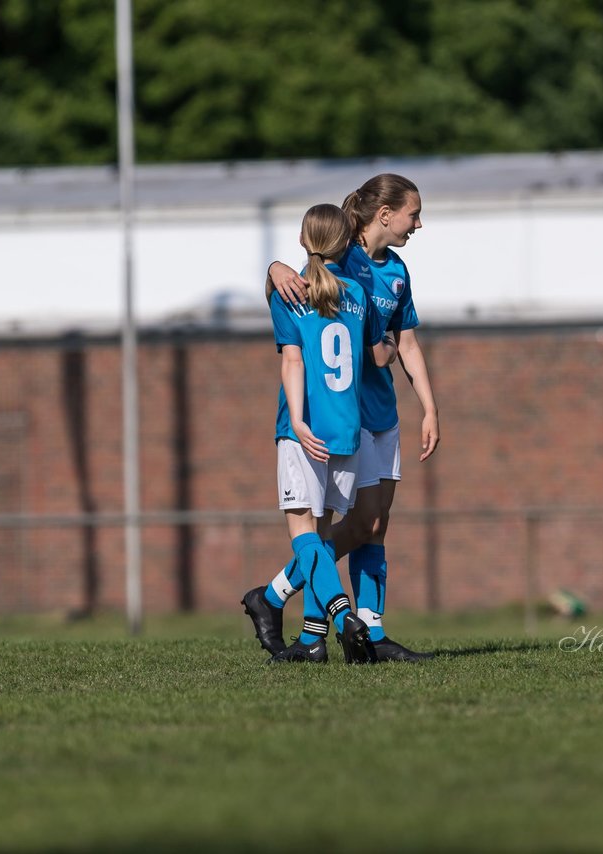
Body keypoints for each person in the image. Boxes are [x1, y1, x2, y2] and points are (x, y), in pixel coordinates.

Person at [242, 173, 439, 662]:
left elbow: (405, 342)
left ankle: (360, 631)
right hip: (344, 417)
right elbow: (292, 279)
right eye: (414, 213)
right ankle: (316, 624)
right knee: (347, 525)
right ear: (385, 213)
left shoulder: (396, 271)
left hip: (379, 415)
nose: (419, 223)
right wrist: (273, 267)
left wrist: (429, 407)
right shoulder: (342, 261)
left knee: (373, 524)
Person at [264, 203, 399, 664]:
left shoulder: (289, 292)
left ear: (303, 241)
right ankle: (311, 641)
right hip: (348, 432)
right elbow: (379, 356)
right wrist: (390, 345)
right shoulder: (359, 292)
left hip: (307, 432)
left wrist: (298, 423)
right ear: (347, 244)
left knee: (305, 538)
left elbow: (293, 360)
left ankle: (345, 620)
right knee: (322, 540)